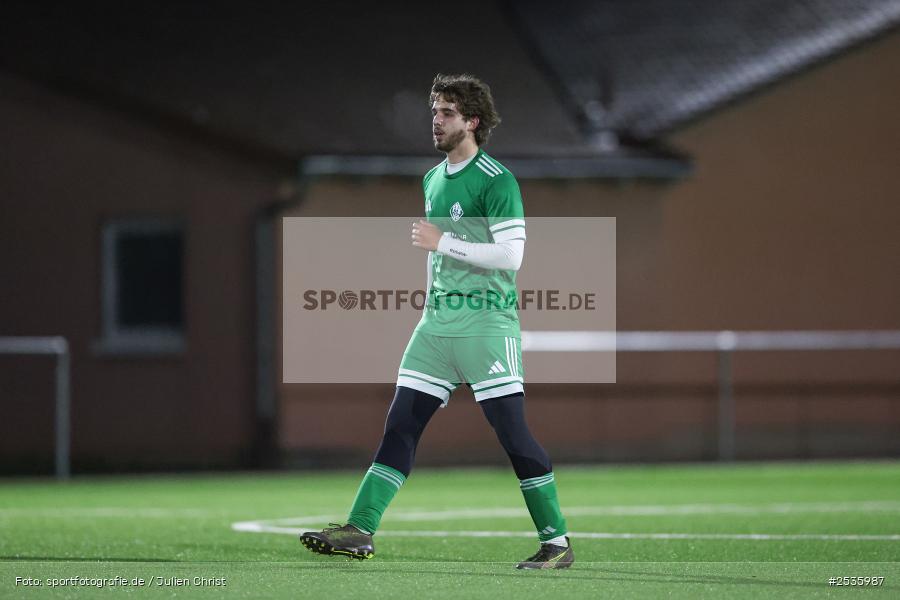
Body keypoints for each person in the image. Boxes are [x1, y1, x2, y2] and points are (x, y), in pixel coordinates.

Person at [300, 73, 573, 570]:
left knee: (512, 433)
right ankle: (360, 530)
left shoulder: (496, 180)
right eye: (434, 112)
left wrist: (442, 242)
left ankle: (556, 543)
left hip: (487, 325)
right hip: (436, 327)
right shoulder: (433, 178)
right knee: (400, 425)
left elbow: (512, 256)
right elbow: (438, 259)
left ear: (472, 121)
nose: (436, 121)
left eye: (446, 113)